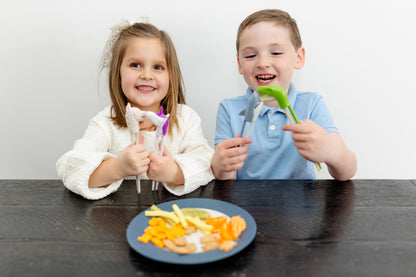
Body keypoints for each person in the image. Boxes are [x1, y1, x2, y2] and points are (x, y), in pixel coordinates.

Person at [57, 18, 214, 200]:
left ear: (171, 76)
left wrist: (173, 173)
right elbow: (70, 169)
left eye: (158, 67)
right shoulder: (105, 122)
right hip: (117, 220)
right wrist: (117, 168)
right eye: (135, 65)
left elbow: (207, 162)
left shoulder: (185, 119)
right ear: (118, 73)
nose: (146, 75)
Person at [211, 9, 357, 181]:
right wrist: (220, 166)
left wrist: (331, 151)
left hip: (301, 204)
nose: (263, 63)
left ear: (299, 58)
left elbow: (347, 172)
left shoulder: (312, 104)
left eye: (276, 53)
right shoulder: (229, 109)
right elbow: (226, 180)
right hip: (247, 205)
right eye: (251, 55)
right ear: (240, 64)